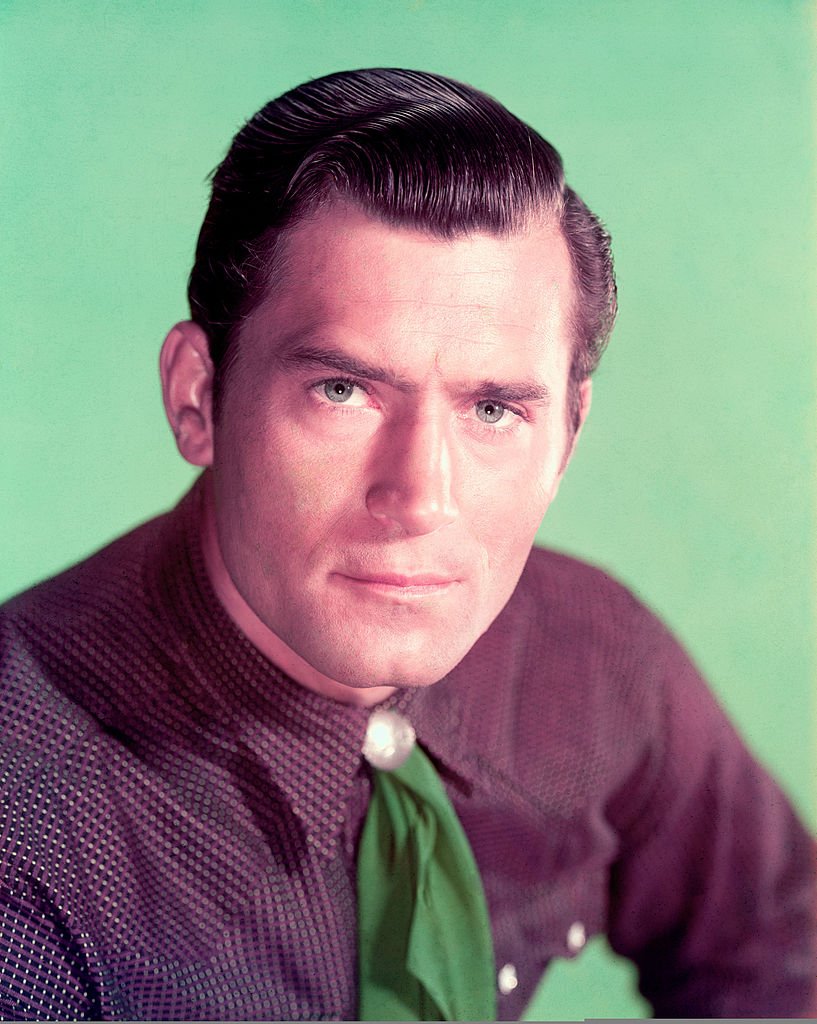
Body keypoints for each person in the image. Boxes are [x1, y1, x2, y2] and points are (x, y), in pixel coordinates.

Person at [0, 67, 813, 1021]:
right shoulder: (28, 846)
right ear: (197, 397)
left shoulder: (588, 654)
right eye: (342, 391)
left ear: (567, 437)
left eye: (495, 408)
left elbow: (780, 949)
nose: (420, 498)